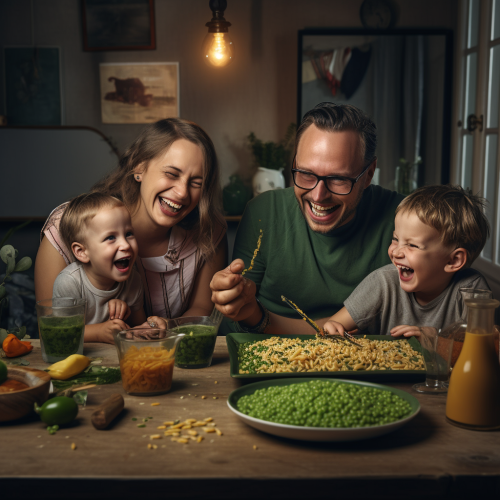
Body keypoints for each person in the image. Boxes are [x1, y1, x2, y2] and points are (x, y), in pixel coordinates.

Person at [210, 102, 403, 335]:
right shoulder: (263, 212)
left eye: (338, 179)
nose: (318, 195)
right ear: (294, 164)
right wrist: (232, 301)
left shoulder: (403, 217)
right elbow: (234, 324)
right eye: (306, 174)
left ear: (369, 173)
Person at [35, 118, 227, 342]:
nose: (183, 193)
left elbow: (202, 308)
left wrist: (167, 326)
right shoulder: (66, 226)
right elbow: (50, 329)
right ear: (139, 167)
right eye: (172, 174)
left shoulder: (209, 231)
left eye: (196, 183)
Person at [323, 184, 490, 338]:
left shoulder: (472, 291)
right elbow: (332, 325)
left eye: (411, 245)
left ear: (453, 260)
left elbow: (487, 349)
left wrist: (437, 338)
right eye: (395, 239)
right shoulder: (383, 282)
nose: (395, 252)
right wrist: (333, 328)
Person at [52, 193, 146, 343]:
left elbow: (138, 328)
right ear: (82, 252)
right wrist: (99, 332)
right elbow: (59, 333)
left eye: (128, 234)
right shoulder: (69, 282)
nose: (126, 245)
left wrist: (129, 318)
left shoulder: (134, 280)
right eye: (111, 237)